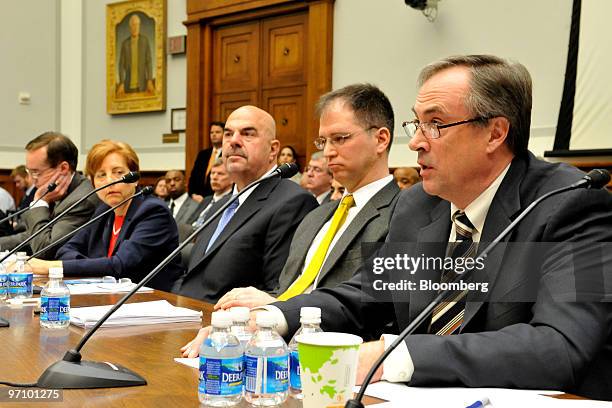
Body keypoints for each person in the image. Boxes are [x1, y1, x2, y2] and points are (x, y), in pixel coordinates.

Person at [219, 56, 612, 399]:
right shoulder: (421, 204)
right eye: (417, 124)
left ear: (495, 132)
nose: (416, 143)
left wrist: (394, 355)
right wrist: (274, 318)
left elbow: (559, 346)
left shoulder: (570, 204)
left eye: (435, 124)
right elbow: (365, 295)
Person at [182, 83, 401, 356]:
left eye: (340, 138)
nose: (328, 151)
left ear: (380, 139)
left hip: (342, 359)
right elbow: (285, 288)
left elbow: (368, 301)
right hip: (274, 347)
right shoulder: (317, 216)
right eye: (323, 141)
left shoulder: (403, 212)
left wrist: (272, 310)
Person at [174, 105, 318, 303]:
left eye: (247, 134)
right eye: (228, 134)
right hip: (182, 315)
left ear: (273, 149)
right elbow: (192, 276)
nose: (233, 141)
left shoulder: (292, 201)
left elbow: (274, 292)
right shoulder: (220, 205)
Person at [28, 140, 183, 291]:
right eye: (101, 175)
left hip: (151, 302)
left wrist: (50, 266)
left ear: (135, 178)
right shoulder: (104, 210)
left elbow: (120, 265)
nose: (110, 181)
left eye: (118, 173)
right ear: (93, 183)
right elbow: (66, 250)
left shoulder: (153, 212)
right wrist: (97, 266)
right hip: (107, 297)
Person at [0, 132, 100, 258]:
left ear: (63, 168)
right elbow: (29, 236)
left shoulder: (82, 200)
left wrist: (39, 202)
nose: (31, 179)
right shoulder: (55, 192)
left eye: (36, 172)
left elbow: (44, 249)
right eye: (28, 171)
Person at [117, 14, 154, 96]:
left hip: (142, 85)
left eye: (137, 24)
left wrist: (150, 80)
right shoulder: (125, 44)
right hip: (127, 86)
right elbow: (121, 65)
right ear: (130, 27)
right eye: (133, 25)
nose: (136, 27)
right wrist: (122, 83)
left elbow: (149, 62)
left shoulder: (145, 41)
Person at [189, 121, 225, 200]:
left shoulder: (227, 154)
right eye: (211, 132)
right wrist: (193, 194)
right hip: (197, 198)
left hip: (217, 198)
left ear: (225, 134)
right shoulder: (203, 154)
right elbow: (193, 176)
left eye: (217, 132)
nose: (214, 135)